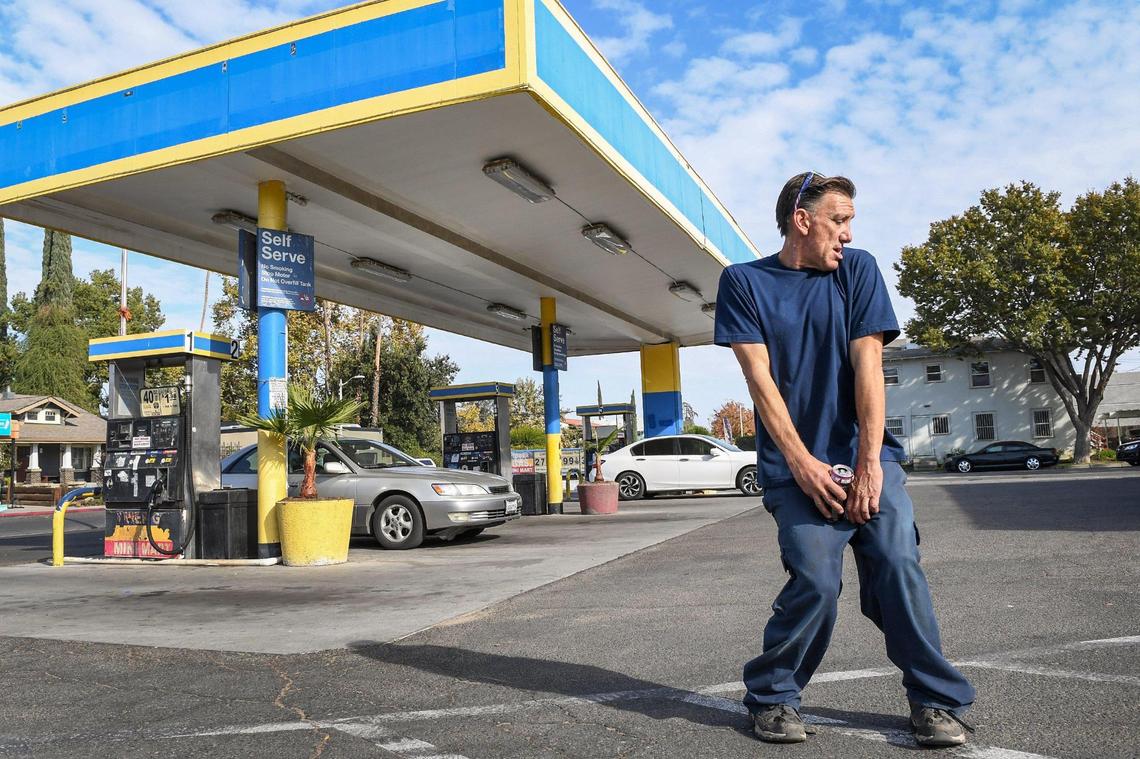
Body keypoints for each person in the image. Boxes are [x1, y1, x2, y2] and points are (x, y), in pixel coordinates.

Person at [713, 172, 976, 747]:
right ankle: (773, 697)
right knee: (815, 579)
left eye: (850, 221)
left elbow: (868, 370)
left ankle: (935, 702)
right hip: (794, 468)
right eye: (839, 220)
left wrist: (869, 464)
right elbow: (760, 382)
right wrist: (803, 464)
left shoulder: (857, 271)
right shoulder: (744, 282)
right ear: (801, 220)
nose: (848, 234)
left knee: (897, 565)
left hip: (868, 457)